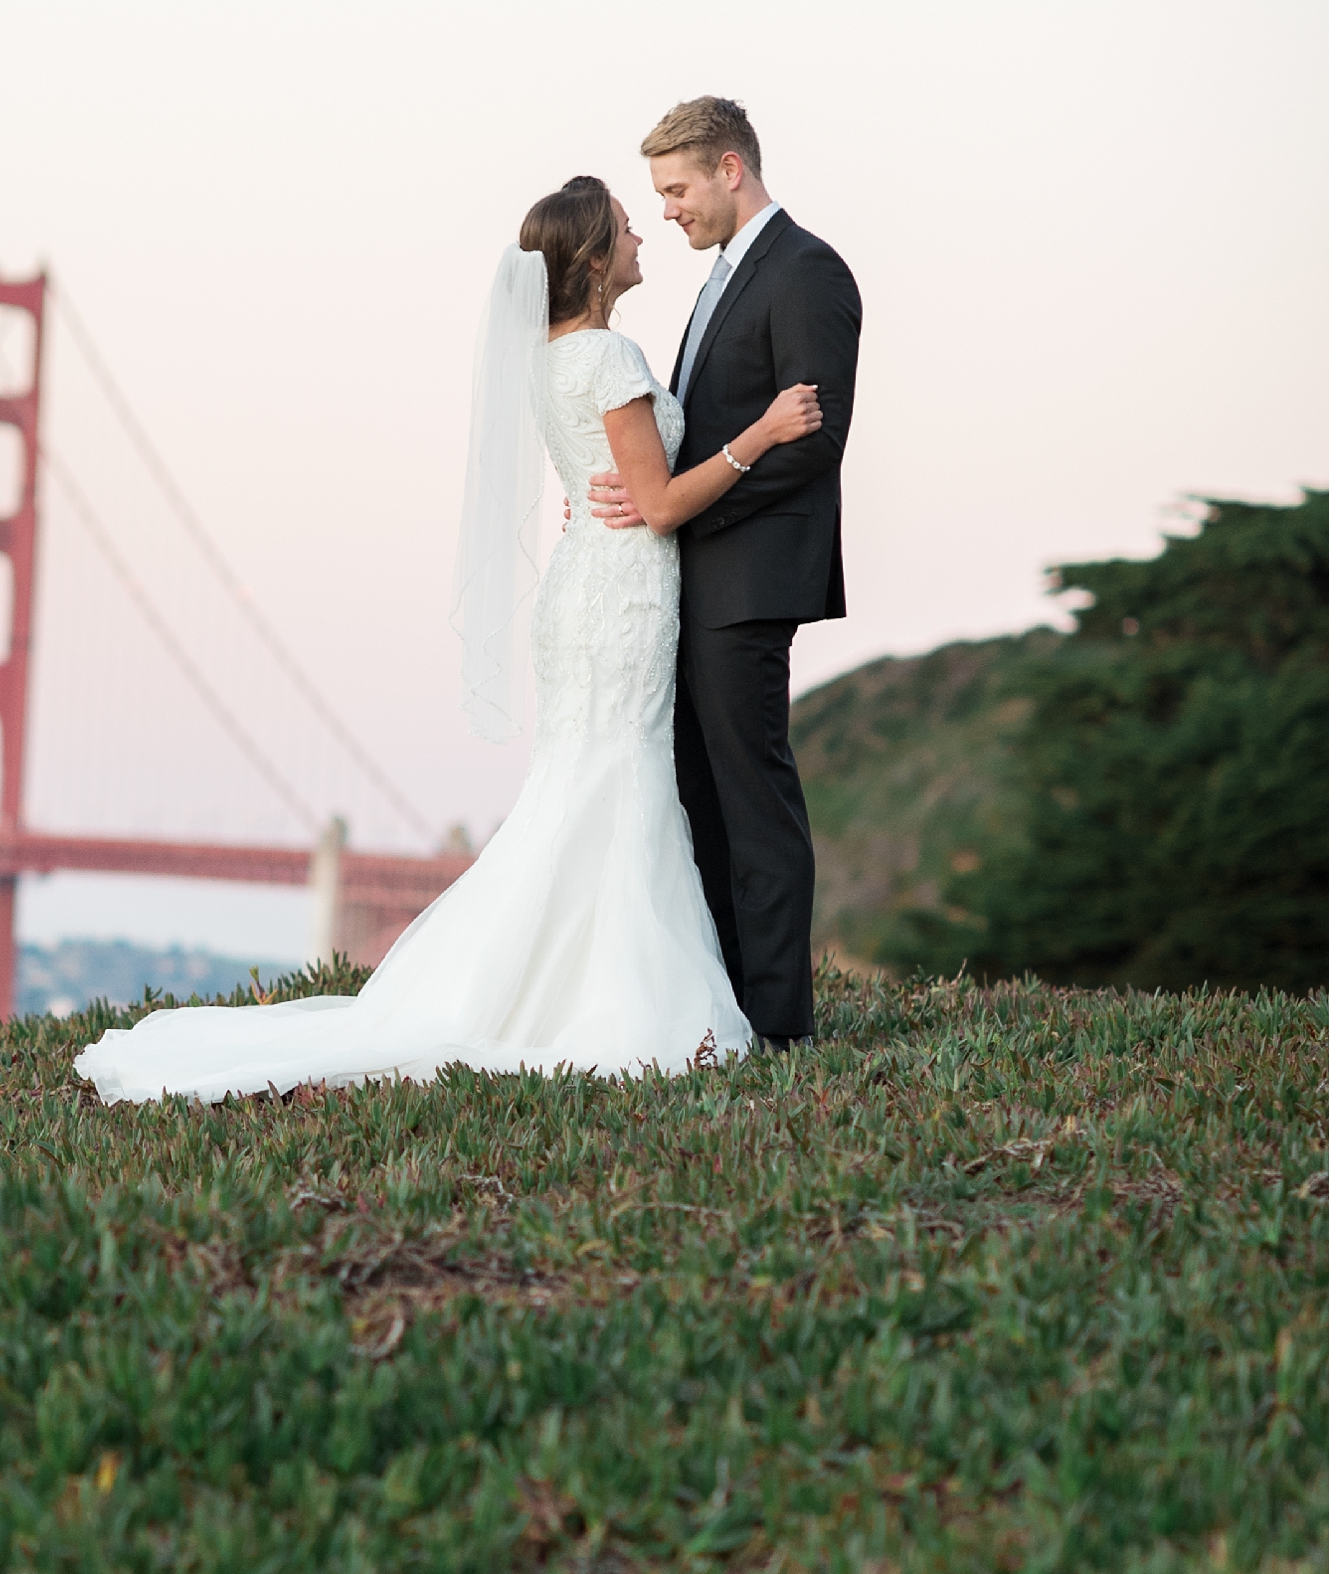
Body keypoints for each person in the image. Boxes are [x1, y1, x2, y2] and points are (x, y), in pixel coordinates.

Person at [73, 173, 820, 1107]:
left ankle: (541, 985)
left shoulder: (550, 359)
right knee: (617, 780)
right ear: (593, 263)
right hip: (623, 593)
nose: (644, 239)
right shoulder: (612, 357)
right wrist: (762, 433)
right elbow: (661, 506)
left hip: (583, 587)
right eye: (630, 230)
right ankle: (613, 1001)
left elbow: (616, 482)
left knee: (581, 782)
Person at [588, 97, 860, 1048]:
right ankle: (725, 1007)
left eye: (676, 189)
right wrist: (650, 494)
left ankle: (779, 1023)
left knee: (755, 797)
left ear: (730, 170)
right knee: (699, 796)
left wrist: (682, 508)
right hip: (695, 579)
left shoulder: (808, 270)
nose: (666, 210)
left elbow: (813, 443)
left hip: (749, 581)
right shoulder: (721, 278)